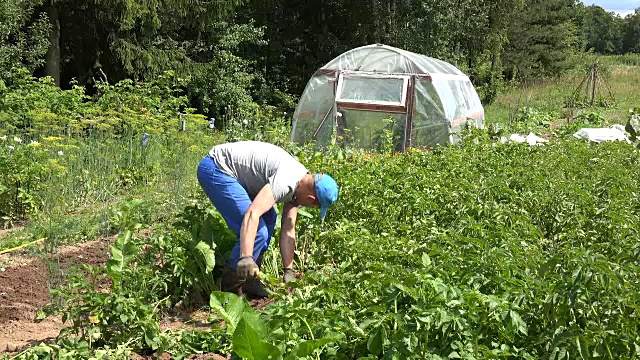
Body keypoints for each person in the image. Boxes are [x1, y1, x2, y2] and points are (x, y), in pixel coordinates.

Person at [197, 141, 339, 299]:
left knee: (270, 217)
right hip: (217, 168)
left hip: (234, 174)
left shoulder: (300, 183)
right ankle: (229, 291)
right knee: (259, 231)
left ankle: (250, 280)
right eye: (314, 207)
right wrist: (245, 256)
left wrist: (289, 271)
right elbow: (252, 214)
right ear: (311, 199)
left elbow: (288, 229)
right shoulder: (287, 181)